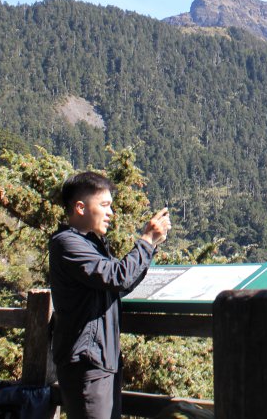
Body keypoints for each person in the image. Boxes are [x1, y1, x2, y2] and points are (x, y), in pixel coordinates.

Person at [49, 171, 172, 419]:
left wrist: (151, 246)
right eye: (104, 205)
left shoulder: (89, 244)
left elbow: (119, 284)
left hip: (100, 360)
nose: (110, 214)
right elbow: (118, 276)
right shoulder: (67, 244)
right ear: (80, 207)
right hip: (87, 361)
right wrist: (146, 241)